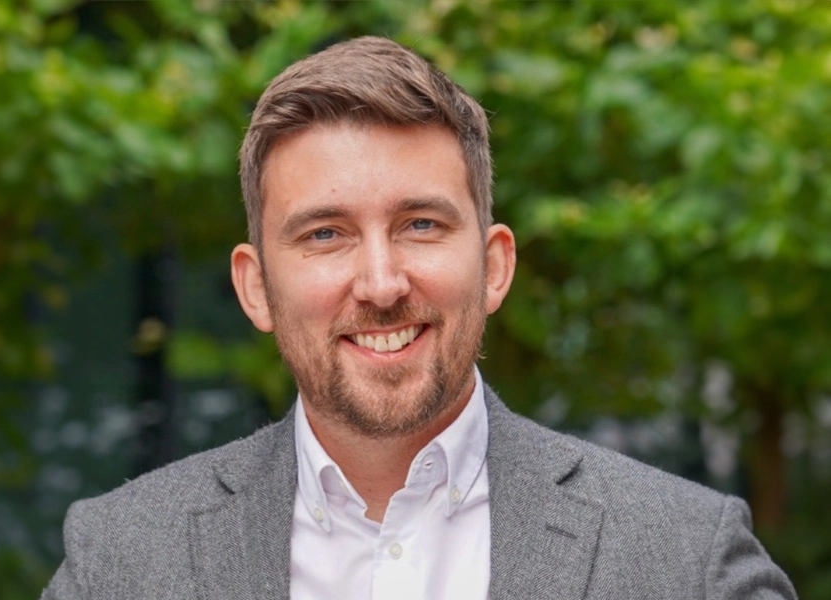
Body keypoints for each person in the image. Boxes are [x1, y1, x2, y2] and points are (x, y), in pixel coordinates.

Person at [42, 36, 796, 599]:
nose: (380, 282)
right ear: (256, 289)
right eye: (325, 234)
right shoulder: (121, 563)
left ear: (495, 265)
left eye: (421, 226)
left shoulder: (686, 558)